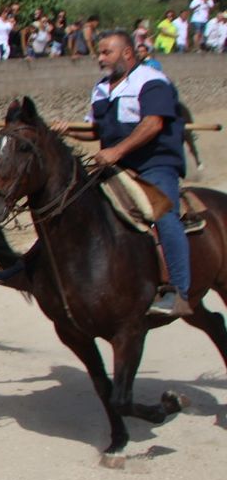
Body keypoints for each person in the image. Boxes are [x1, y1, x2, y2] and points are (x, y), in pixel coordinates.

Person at [11, 30, 189, 318]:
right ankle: (28, 268)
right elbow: (98, 130)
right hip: (115, 165)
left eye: (107, 52)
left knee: (164, 215)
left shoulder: (152, 82)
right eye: (100, 52)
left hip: (154, 164)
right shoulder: (102, 88)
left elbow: (153, 124)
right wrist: (69, 128)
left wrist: (117, 152)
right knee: (68, 206)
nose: (100, 58)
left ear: (128, 54)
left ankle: (177, 290)